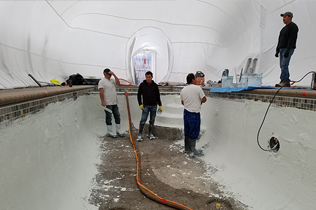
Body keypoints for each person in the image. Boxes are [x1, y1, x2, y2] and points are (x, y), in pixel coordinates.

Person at [180, 73, 207, 157]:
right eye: (195, 78)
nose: (196, 80)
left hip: (186, 113)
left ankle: (186, 149)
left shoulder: (183, 90)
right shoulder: (198, 88)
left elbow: (182, 102)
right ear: (192, 80)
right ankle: (192, 151)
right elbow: (204, 99)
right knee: (194, 131)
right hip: (194, 113)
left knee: (187, 130)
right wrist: (198, 101)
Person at [98, 68, 125, 138]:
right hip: (107, 103)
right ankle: (109, 131)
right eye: (108, 74)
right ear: (104, 73)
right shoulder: (102, 82)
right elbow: (101, 92)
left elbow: (118, 83)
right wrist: (102, 101)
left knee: (117, 116)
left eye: (110, 74)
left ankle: (118, 130)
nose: (109, 75)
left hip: (114, 102)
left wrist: (114, 75)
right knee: (108, 117)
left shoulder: (112, 80)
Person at [137, 71, 163, 141]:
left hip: (154, 106)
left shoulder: (155, 86)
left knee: (152, 120)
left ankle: (150, 133)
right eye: (147, 77)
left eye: (149, 77)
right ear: (145, 77)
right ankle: (140, 134)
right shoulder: (142, 85)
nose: (148, 78)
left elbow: (158, 96)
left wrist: (160, 105)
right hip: (145, 106)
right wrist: (140, 104)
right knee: (143, 120)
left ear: (152, 77)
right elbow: (139, 95)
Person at [275, 11, 299, 87]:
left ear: (290, 17)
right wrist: (277, 50)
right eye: (283, 17)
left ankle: (284, 80)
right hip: (282, 48)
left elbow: (292, 39)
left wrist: (288, 50)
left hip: (288, 48)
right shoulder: (283, 29)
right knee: (282, 65)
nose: (283, 18)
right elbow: (280, 39)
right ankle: (286, 80)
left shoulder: (293, 26)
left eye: (285, 17)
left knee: (284, 64)